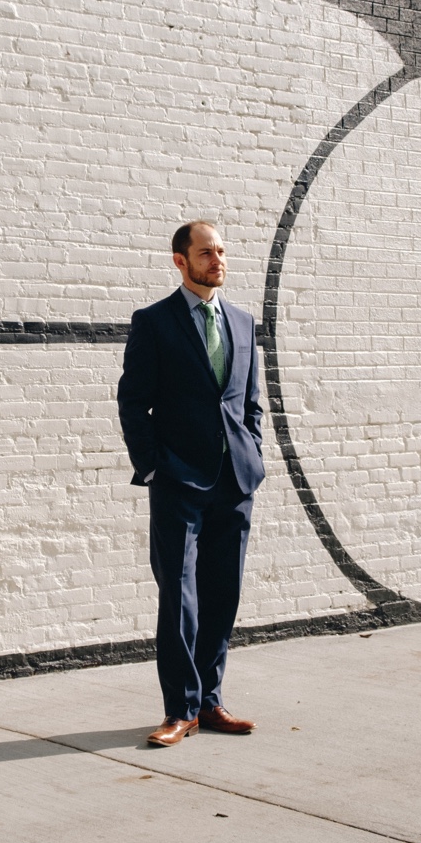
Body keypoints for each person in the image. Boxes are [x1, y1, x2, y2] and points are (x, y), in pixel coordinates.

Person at [117, 221, 266, 746]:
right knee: (178, 597)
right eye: (206, 253)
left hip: (235, 480)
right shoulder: (154, 322)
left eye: (221, 251)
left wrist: (255, 454)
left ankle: (210, 702)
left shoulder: (244, 322)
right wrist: (154, 466)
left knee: (222, 594)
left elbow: (250, 402)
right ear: (180, 261)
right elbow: (134, 401)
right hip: (179, 481)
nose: (217, 260)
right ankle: (179, 709)